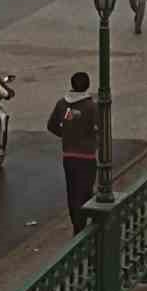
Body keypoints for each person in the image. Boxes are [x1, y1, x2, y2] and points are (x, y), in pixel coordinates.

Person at [47, 71, 98, 234]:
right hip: (87, 156)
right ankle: (83, 224)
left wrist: (66, 136)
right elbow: (99, 129)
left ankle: (76, 223)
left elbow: (51, 125)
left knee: (72, 191)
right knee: (86, 190)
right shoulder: (91, 106)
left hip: (69, 156)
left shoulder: (62, 104)